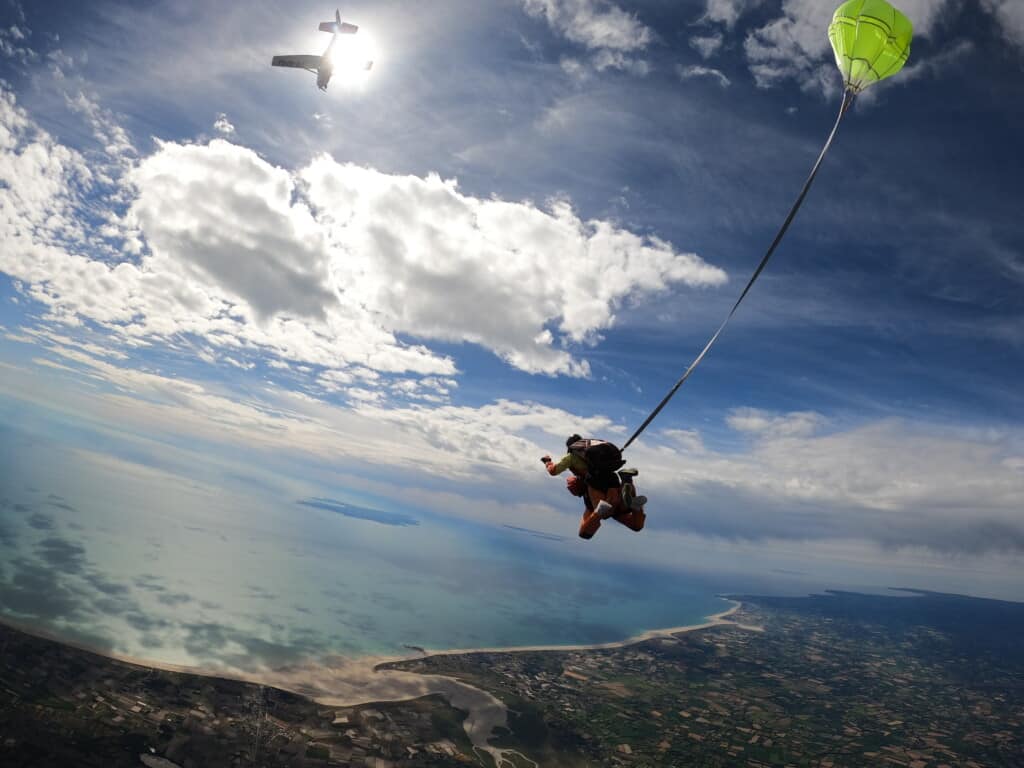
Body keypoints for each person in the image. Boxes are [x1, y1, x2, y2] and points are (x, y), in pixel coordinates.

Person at [541, 434, 647, 540]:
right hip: (612, 478)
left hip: (594, 482)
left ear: (570, 448)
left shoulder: (571, 457)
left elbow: (553, 471)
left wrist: (547, 461)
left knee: (585, 531)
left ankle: (599, 511)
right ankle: (628, 485)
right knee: (636, 525)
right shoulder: (600, 454)